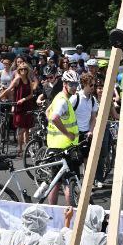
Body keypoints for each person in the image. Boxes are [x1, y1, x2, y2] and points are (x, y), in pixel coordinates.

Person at [44, 70, 81, 205]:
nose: (75, 87)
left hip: (55, 146)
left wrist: (52, 126)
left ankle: (51, 211)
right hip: (64, 147)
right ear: (64, 83)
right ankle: (71, 215)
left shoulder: (59, 97)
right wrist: (67, 133)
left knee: (56, 182)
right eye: (71, 84)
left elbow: (48, 112)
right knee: (68, 182)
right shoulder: (63, 101)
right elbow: (54, 117)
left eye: (76, 84)